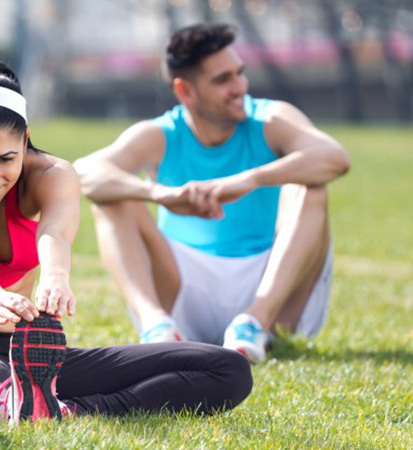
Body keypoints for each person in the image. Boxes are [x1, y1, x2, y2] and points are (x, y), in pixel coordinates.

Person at [0, 56, 253, 426]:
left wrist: (55, 277)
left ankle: (63, 410)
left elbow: (55, 231)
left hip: (23, 353)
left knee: (225, 368)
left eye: (5, 158)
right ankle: (15, 407)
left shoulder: (52, 175)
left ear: (25, 141)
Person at [73, 23, 350, 364]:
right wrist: (159, 193)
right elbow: (84, 173)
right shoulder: (161, 134)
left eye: (240, 73)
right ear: (185, 91)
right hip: (185, 288)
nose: (239, 87)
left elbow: (335, 157)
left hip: (271, 293)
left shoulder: (271, 118)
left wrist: (248, 180)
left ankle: (253, 325)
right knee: (112, 195)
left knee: (310, 187)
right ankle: (156, 327)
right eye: (223, 80)